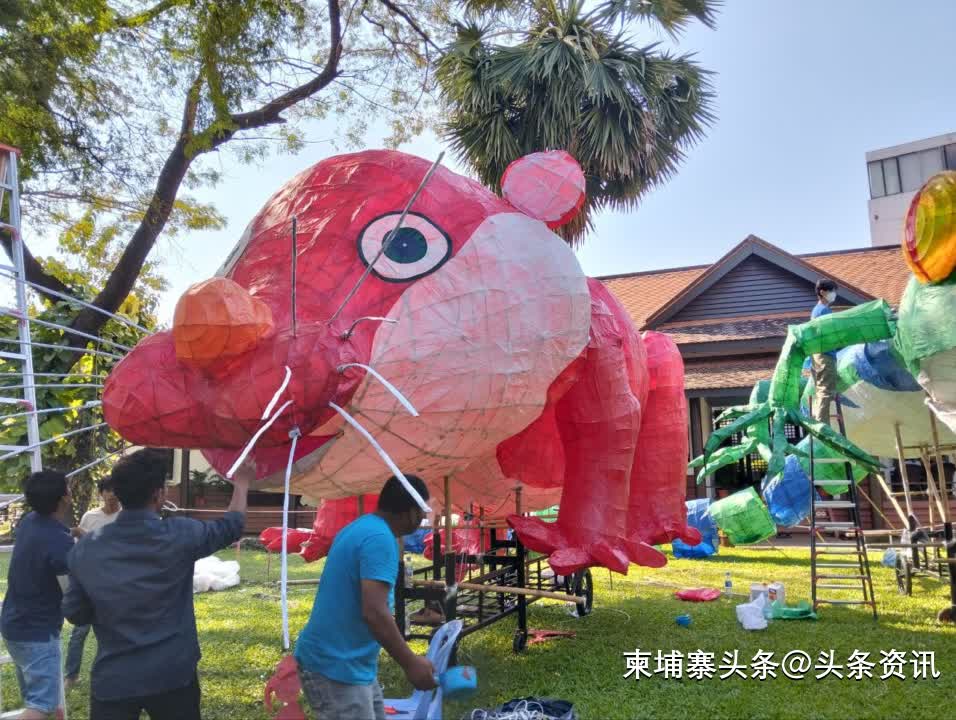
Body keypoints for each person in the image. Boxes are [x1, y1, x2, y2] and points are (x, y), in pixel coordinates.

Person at [63, 449, 250, 720]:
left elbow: (75, 613)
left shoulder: (85, 549)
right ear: (159, 494)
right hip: (173, 674)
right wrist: (242, 482)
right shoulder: (181, 534)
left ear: (118, 493)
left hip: (115, 677)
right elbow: (231, 525)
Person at [295, 475, 437, 720]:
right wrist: (411, 662)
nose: (423, 518)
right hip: (335, 666)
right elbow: (374, 612)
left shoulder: (363, 526)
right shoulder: (379, 539)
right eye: (422, 512)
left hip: (349, 665)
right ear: (412, 512)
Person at [1, 470, 74, 720]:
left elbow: (46, 544)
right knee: (42, 706)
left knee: (38, 698)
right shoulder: (59, 541)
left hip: (14, 626)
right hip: (37, 633)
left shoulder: (29, 521)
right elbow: (69, 592)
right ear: (64, 498)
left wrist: (73, 536)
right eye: (68, 487)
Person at [64, 477, 122, 690]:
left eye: (116, 490)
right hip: (89, 582)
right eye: (108, 490)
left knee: (114, 632)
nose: (112, 494)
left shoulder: (126, 517)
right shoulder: (90, 517)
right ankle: (71, 675)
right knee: (79, 631)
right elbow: (80, 550)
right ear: (101, 493)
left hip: (117, 584)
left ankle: (115, 674)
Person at [809, 278, 839, 424]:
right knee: (825, 391)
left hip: (818, 355)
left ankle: (819, 422)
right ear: (822, 292)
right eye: (831, 291)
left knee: (822, 390)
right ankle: (822, 426)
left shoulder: (817, 310)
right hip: (825, 355)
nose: (834, 294)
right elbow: (830, 334)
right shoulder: (823, 310)